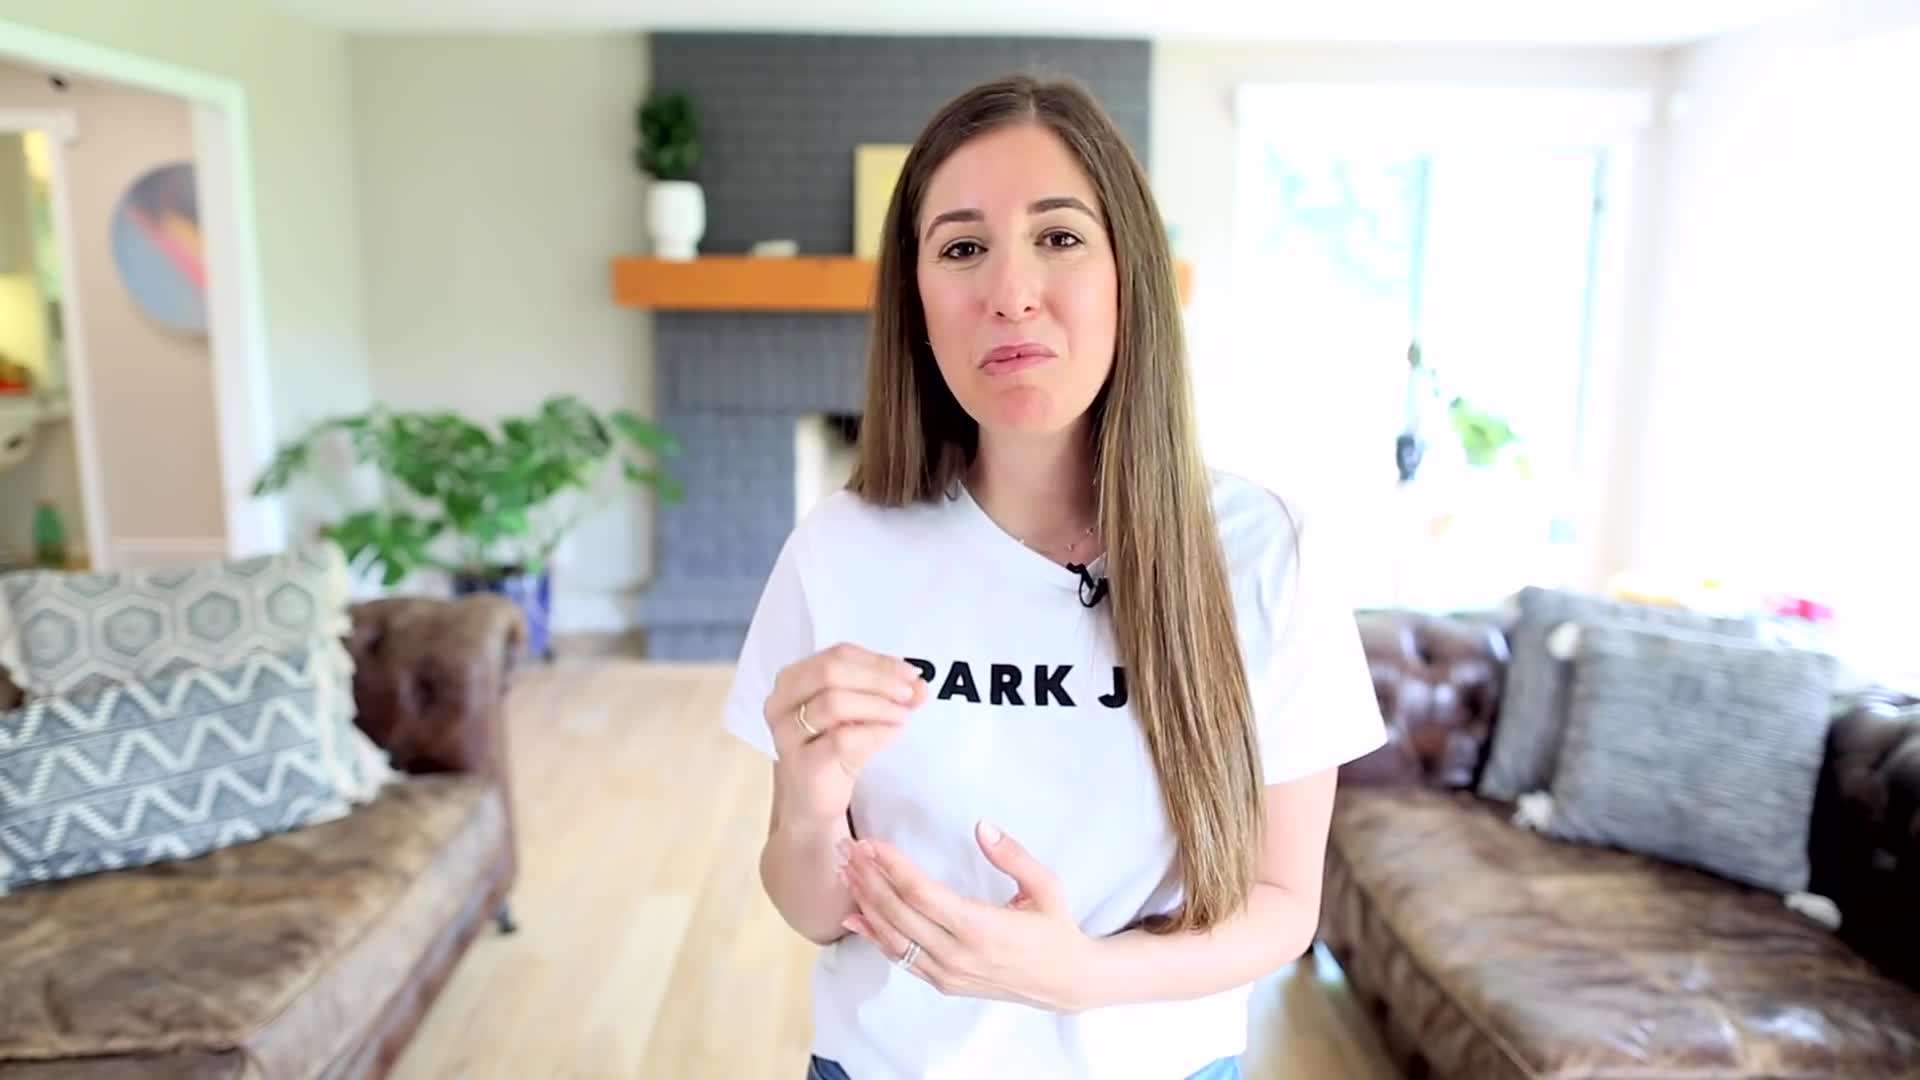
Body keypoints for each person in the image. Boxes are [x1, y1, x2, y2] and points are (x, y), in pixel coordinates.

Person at [722, 72, 1387, 1080]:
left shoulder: (1266, 551)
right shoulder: (840, 549)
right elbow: (814, 910)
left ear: (1130, 270)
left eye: (1060, 236)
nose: (1011, 292)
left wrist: (1079, 976)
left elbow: (1284, 908)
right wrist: (810, 806)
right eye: (960, 248)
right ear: (918, 299)